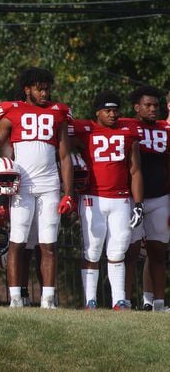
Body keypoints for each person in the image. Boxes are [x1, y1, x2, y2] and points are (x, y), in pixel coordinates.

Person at [0, 68, 73, 309]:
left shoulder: (59, 113)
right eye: (39, 88)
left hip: (49, 184)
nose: (45, 93)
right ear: (27, 89)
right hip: (21, 184)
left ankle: (47, 299)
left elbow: (65, 156)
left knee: (49, 243)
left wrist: (69, 193)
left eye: (47, 88)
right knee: (17, 240)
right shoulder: (11, 111)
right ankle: (15, 298)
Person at [70, 91, 143, 310]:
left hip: (121, 198)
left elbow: (136, 169)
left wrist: (138, 203)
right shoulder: (86, 129)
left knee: (118, 249)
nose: (113, 114)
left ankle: (119, 300)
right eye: (107, 110)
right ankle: (90, 300)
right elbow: (61, 141)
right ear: (97, 112)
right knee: (92, 249)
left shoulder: (128, 131)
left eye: (115, 110)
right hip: (93, 197)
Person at [121, 86, 169, 311]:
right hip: (133, 199)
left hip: (160, 197)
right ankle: (125, 301)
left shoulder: (165, 129)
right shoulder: (126, 125)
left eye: (156, 106)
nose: (153, 109)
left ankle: (158, 303)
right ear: (136, 107)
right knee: (130, 253)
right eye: (148, 105)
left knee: (158, 252)